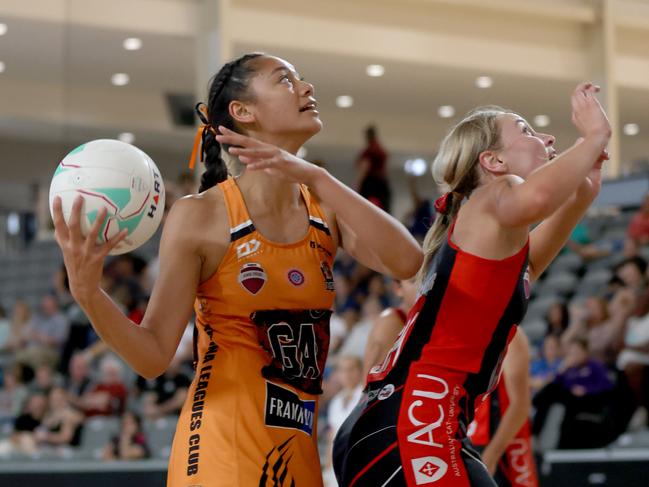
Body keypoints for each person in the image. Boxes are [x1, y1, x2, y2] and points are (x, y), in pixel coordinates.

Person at [52, 52, 422, 486]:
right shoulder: (201, 215)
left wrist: (320, 178)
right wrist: (88, 294)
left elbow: (408, 260)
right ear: (243, 112)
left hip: (295, 457)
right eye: (285, 80)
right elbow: (153, 356)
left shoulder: (325, 206)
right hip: (220, 453)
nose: (307, 88)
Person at [333, 82, 611, 486]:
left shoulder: (494, 239)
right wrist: (593, 136)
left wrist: (586, 187)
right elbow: (536, 200)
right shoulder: (495, 193)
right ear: (493, 161)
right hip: (413, 424)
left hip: (409, 424)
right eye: (527, 131)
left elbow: (535, 254)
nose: (547, 138)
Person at [469, 331, 538, 487]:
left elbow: (520, 405)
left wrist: (491, 455)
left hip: (500, 442)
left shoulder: (511, 336)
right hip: (472, 434)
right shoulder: (468, 330)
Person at [362, 277, 418, 377]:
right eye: (414, 281)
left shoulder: (422, 317)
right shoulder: (390, 322)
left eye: (427, 276)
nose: (423, 284)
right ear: (398, 288)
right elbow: (372, 384)